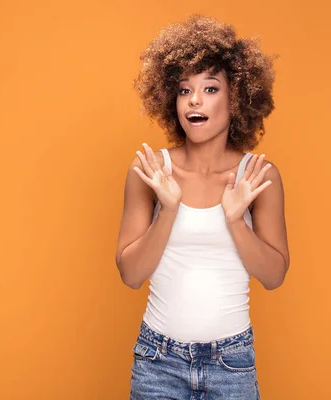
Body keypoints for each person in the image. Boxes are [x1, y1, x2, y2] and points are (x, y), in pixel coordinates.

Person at [115, 14, 290, 399]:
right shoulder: (150, 170)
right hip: (157, 362)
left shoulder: (258, 176)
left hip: (232, 364)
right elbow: (130, 274)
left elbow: (274, 276)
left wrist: (235, 221)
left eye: (210, 88)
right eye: (184, 90)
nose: (194, 100)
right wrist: (170, 211)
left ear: (237, 97)